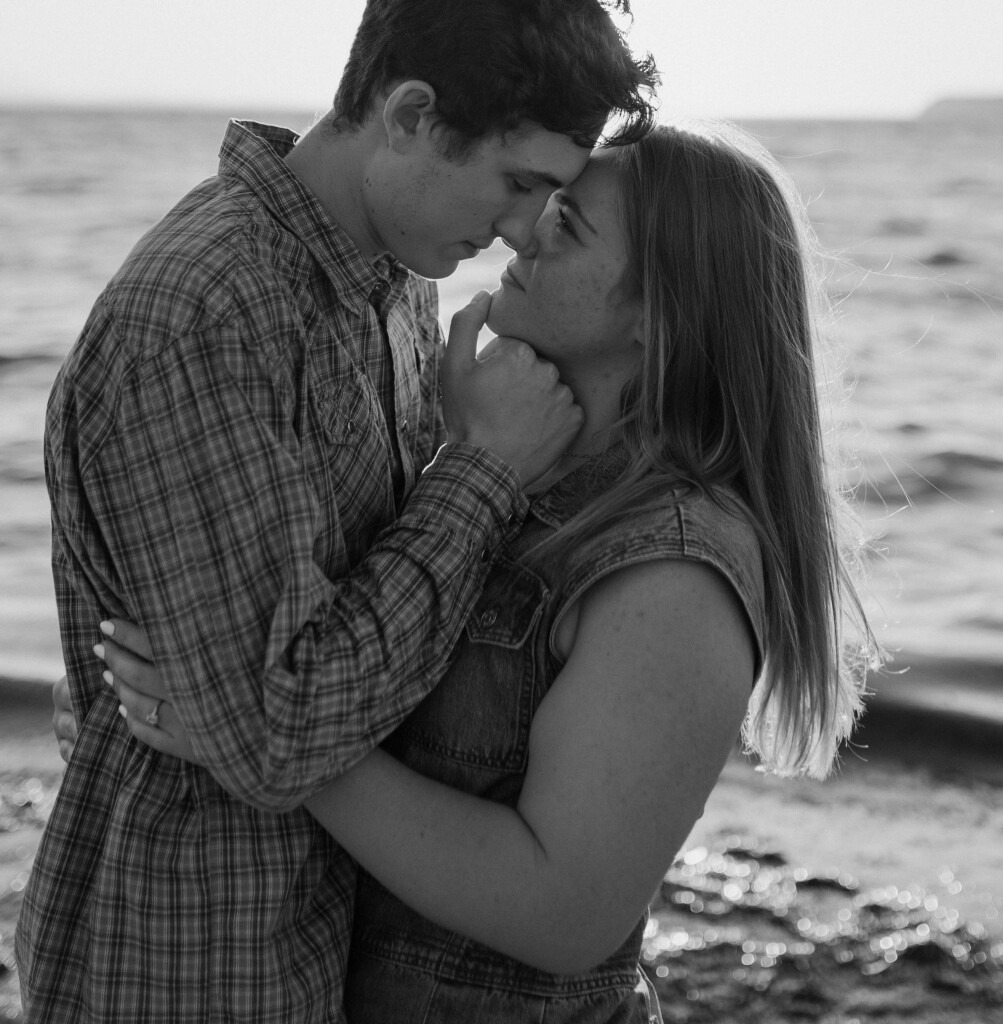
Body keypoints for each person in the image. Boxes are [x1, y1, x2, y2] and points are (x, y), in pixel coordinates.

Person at [83, 122, 881, 1022]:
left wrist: (249, 732)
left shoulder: (672, 573)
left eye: (567, 225)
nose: (523, 230)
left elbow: (564, 913)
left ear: (659, 315)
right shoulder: (515, 474)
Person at [16, 0, 657, 1019]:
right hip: (186, 953)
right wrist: (481, 470)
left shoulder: (393, 284)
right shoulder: (208, 313)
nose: (521, 227)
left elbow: (348, 642)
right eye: (517, 181)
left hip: (317, 942)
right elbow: (276, 738)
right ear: (408, 115)